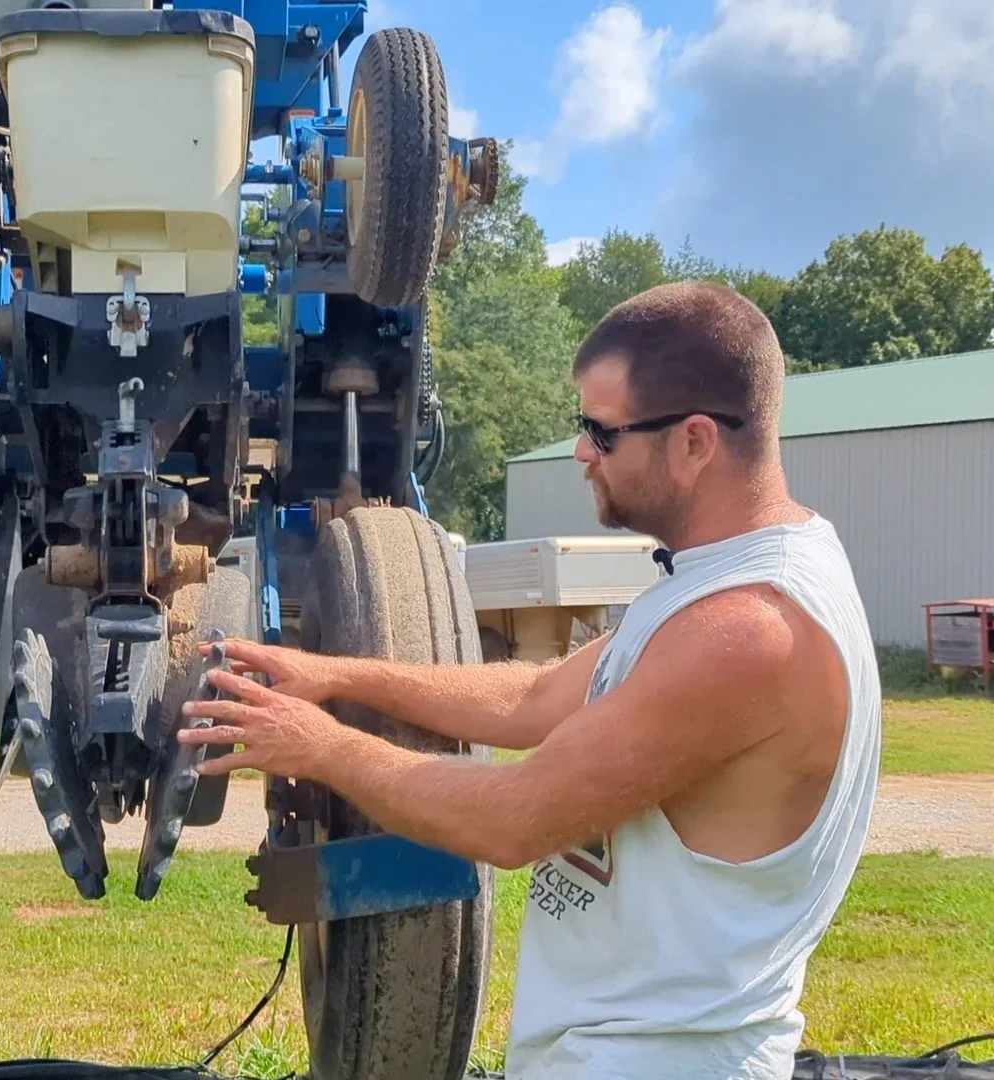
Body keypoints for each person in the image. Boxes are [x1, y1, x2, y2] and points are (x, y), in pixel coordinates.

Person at [179, 281, 882, 1079]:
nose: (582, 451)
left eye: (602, 431)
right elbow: (533, 698)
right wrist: (334, 675)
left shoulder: (751, 631)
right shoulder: (714, 586)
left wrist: (320, 746)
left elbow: (513, 820)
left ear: (695, 442)